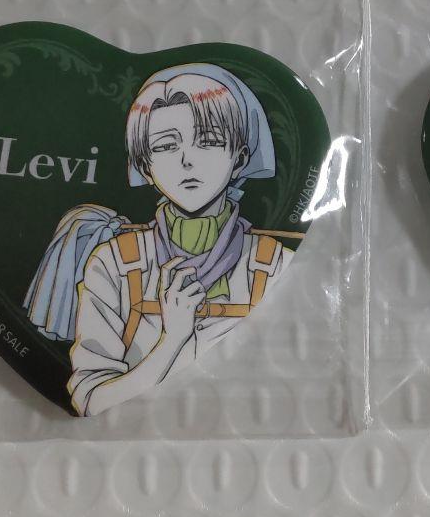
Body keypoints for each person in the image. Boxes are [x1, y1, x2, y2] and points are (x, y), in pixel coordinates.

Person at [24, 64, 294, 416]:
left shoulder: (274, 264)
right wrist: (172, 339)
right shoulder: (113, 262)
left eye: (209, 141)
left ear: (240, 158)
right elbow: (89, 402)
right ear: (145, 166)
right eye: (166, 146)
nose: (187, 160)